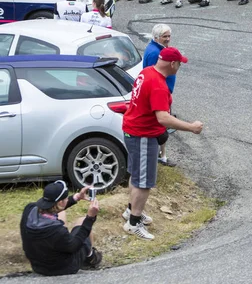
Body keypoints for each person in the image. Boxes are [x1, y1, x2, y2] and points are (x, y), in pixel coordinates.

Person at [122, 47, 204, 240]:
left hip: (131, 130)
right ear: (173, 64)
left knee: (136, 174)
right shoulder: (158, 84)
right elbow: (163, 118)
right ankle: (133, 223)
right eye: (179, 64)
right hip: (143, 135)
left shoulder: (146, 72)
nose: (179, 67)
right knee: (144, 182)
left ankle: (131, 210)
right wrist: (191, 127)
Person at [20, 180, 102, 275]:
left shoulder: (29, 209)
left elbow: (55, 207)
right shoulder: (57, 231)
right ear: (60, 202)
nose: (68, 199)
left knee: (61, 213)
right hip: (63, 268)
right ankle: (91, 258)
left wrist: (76, 197)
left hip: (38, 266)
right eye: (67, 198)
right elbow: (74, 246)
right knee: (82, 222)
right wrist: (90, 218)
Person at [142, 24, 177, 167]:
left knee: (162, 126)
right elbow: (153, 75)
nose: (168, 39)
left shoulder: (158, 48)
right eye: (165, 36)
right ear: (156, 37)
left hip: (165, 93)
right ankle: (160, 156)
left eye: (169, 36)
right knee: (161, 126)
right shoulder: (155, 53)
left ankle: (161, 155)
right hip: (161, 95)